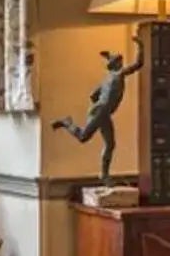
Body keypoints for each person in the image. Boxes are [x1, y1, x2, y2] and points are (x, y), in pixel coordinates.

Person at [49, 36, 143, 184]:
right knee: (83, 137)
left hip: (102, 112)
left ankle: (104, 175)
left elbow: (92, 95)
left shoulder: (106, 79)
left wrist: (101, 104)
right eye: (119, 62)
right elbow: (138, 64)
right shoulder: (118, 75)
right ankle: (67, 122)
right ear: (116, 65)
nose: (122, 64)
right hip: (101, 111)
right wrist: (140, 46)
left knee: (110, 144)